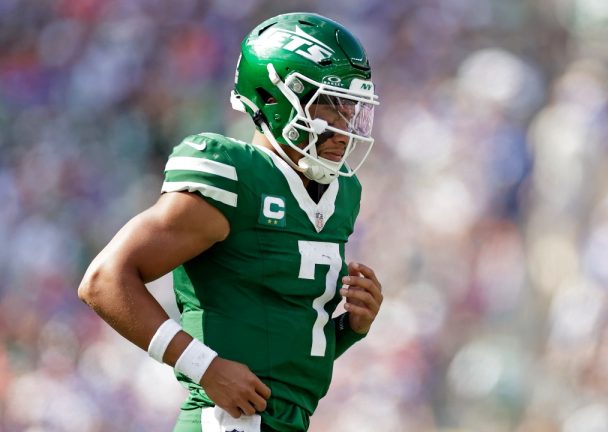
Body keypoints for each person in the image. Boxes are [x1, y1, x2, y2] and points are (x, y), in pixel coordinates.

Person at [78, 12, 383, 432]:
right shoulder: (233, 172)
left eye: (351, 109)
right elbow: (103, 281)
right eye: (329, 106)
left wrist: (349, 327)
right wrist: (204, 366)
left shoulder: (342, 194)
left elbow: (283, 353)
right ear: (274, 98)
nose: (343, 129)